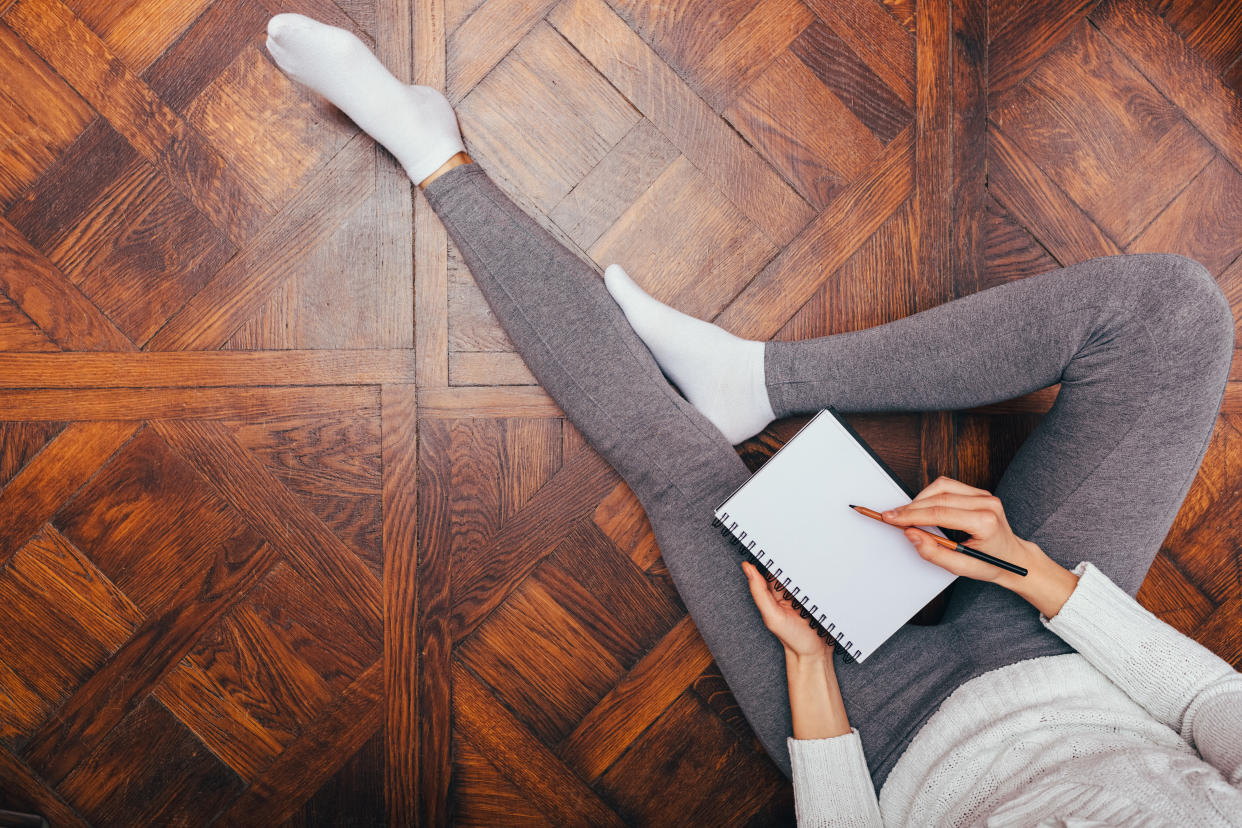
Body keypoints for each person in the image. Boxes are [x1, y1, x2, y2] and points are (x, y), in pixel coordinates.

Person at [265, 14, 1242, 825]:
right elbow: (1211, 705)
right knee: (1170, 319)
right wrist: (1032, 573)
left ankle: (433, 157)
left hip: (877, 733)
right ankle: (759, 380)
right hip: (1069, 651)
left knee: (680, 470)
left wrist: (811, 670)